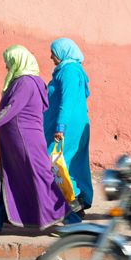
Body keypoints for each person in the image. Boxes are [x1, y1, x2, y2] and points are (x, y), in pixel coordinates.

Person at [0, 45, 76, 234]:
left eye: (9, 62)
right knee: (10, 175)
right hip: (19, 140)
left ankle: (70, 218)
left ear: (19, 61)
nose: (7, 67)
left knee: (41, 177)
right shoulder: (32, 81)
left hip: (24, 140)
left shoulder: (25, 83)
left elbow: (11, 108)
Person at [43, 38, 93, 211]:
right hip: (75, 124)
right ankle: (82, 198)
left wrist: (60, 127)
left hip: (68, 126)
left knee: (55, 161)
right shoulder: (72, 70)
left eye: (54, 52)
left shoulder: (69, 71)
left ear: (64, 52)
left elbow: (67, 100)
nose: (51, 56)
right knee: (75, 162)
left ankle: (75, 200)